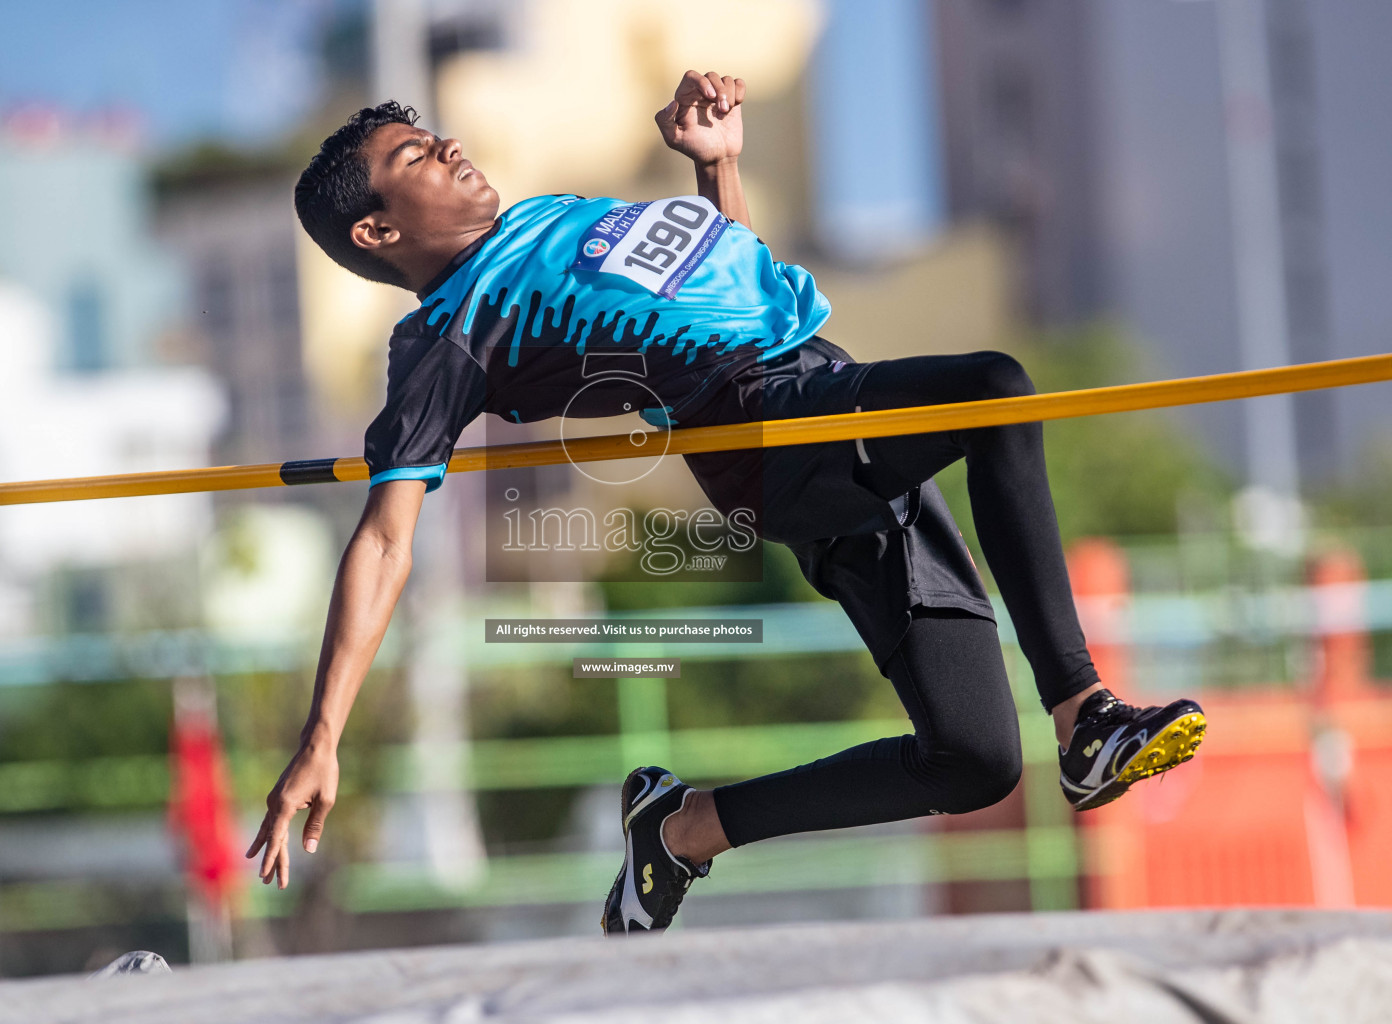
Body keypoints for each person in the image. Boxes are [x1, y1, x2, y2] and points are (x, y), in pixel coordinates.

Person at [248, 70, 1207, 934]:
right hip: (766, 427)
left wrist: (718, 169)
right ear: (378, 231)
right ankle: (1084, 712)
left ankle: (684, 829)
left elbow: (734, 278)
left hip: (823, 404)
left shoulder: (544, 217)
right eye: (415, 154)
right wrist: (321, 737)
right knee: (994, 389)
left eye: (433, 135)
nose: (449, 146)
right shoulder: (449, 332)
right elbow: (383, 542)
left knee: (973, 758)